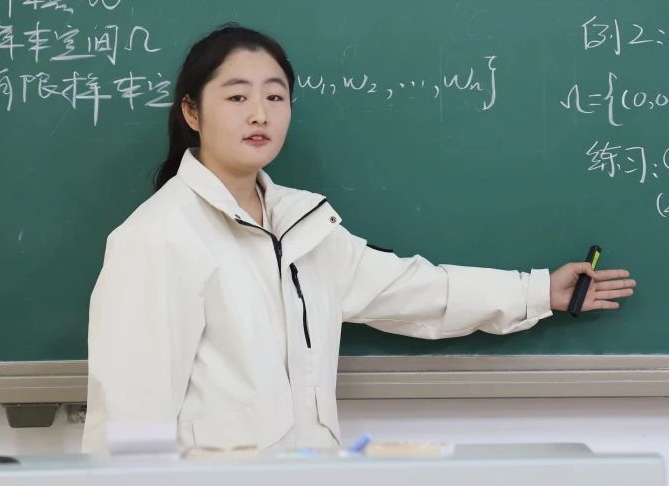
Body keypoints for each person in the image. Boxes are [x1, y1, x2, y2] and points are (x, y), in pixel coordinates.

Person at [83, 24, 636, 453]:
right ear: (191, 111)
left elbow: (417, 290)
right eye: (236, 98)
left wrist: (539, 291)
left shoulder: (302, 228)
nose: (259, 114)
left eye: (275, 97)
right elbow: (129, 423)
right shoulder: (158, 238)